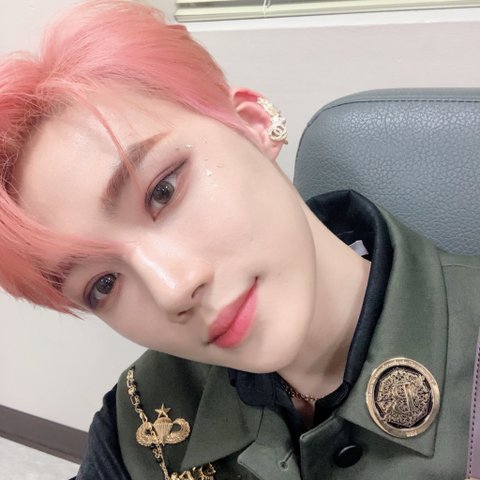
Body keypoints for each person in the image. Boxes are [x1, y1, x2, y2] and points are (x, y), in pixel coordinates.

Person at [1, 1, 479, 479]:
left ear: (252, 125)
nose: (172, 290)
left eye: (163, 191)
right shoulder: (140, 415)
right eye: (103, 283)